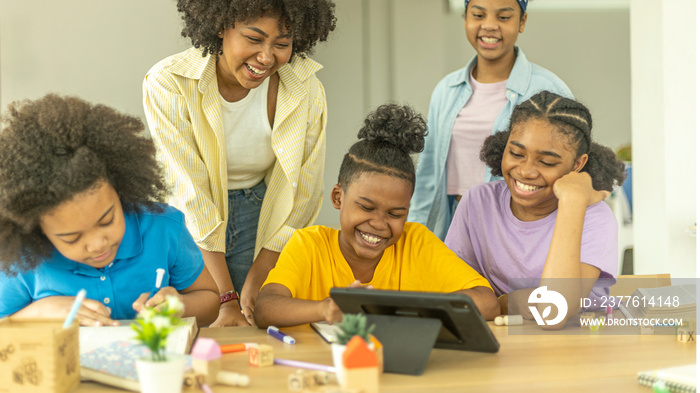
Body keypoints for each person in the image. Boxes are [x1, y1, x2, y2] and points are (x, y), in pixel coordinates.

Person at [143, 0, 337, 327]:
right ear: (221, 26)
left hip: (260, 214)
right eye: (253, 38)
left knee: (257, 327)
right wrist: (226, 297)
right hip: (187, 224)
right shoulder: (169, 82)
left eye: (282, 44)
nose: (266, 57)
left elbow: (303, 194)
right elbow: (189, 197)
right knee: (192, 329)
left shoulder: (306, 89)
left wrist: (255, 283)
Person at [254, 104, 500, 328]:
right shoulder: (309, 245)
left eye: (395, 213)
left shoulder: (416, 242)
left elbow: (487, 303)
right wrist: (325, 308)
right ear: (338, 197)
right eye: (367, 208)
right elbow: (265, 309)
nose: (379, 224)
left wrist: (398, 308)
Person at [0, 94, 220, 327]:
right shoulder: (23, 259)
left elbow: (210, 301)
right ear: (38, 231)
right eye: (72, 238)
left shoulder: (163, 227)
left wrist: (179, 306)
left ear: (121, 188)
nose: (97, 245)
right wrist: (37, 314)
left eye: (106, 221)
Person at [445, 91, 626, 328]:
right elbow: (454, 292)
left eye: (546, 162)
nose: (526, 171)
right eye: (516, 153)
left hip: (578, 347)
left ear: (577, 164)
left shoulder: (596, 218)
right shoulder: (478, 202)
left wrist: (573, 200)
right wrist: (511, 302)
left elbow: (553, 311)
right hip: (500, 341)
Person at [409, 0, 574, 240]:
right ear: (465, 18)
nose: (489, 26)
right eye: (478, 15)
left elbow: (570, 171)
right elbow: (428, 177)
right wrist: (415, 236)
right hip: (453, 223)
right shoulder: (446, 90)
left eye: (503, 17)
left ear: (522, 22)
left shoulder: (548, 89)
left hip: (522, 229)